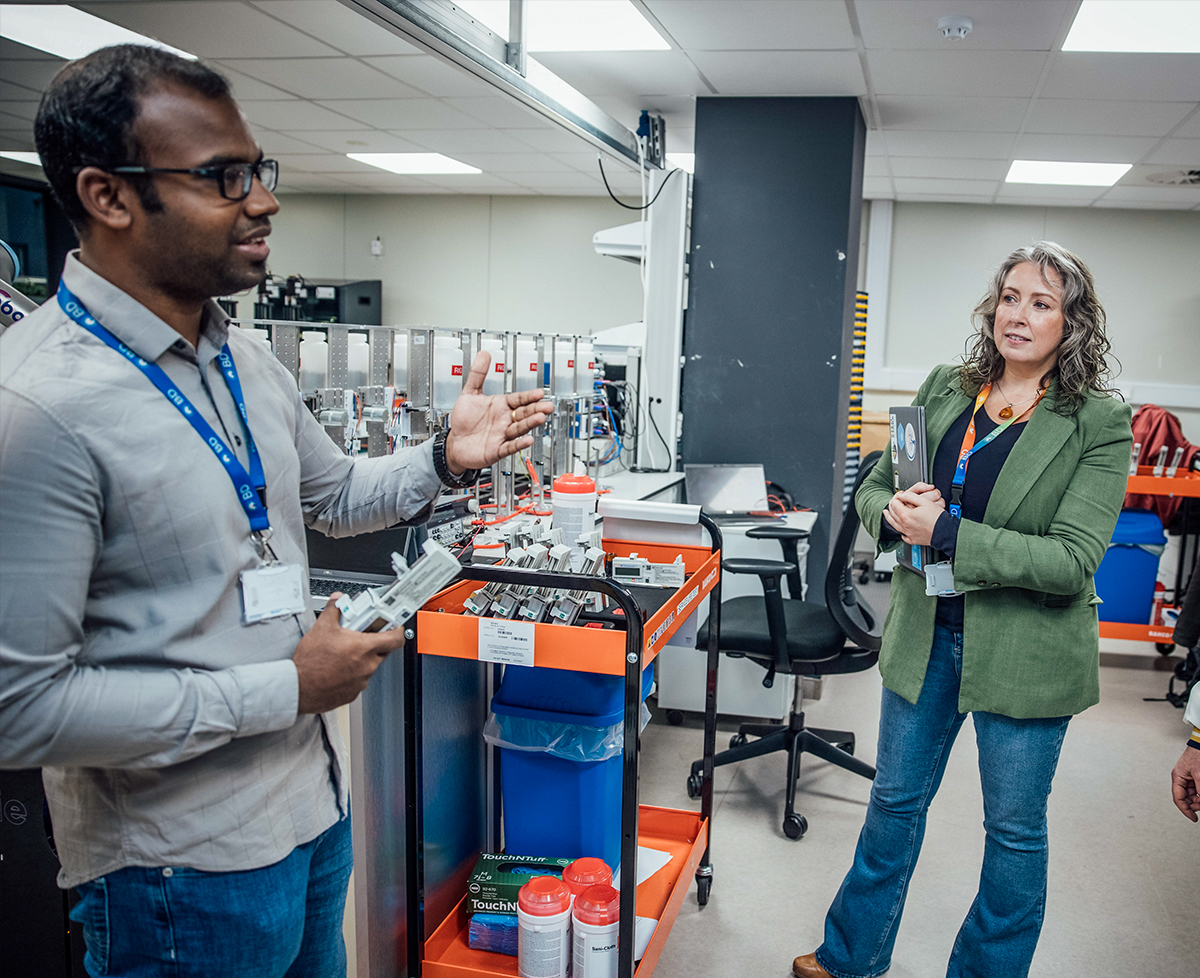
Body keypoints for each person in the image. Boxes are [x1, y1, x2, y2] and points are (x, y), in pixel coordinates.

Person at [0, 45, 551, 978]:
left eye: (260, 171)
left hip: (310, 812)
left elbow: (334, 498)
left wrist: (440, 461)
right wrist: (286, 688)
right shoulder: (40, 410)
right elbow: (21, 709)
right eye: (224, 176)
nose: (264, 200)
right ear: (107, 196)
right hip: (180, 867)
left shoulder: (244, 359)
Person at [792, 242, 1132, 978]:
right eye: (1011, 296)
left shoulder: (1097, 422)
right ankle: (850, 957)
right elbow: (874, 488)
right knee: (892, 806)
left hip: (1027, 650)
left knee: (1012, 834)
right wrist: (898, 513)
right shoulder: (951, 386)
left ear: (1072, 324)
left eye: (1042, 303)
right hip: (926, 632)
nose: (1019, 314)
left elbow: (1071, 562)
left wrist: (945, 531)